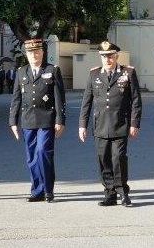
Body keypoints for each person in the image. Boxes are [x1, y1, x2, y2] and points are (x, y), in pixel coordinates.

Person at [78, 40, 142, 207]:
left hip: (120, 124)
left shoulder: (128, 73)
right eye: (104, 57)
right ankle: (109, 193)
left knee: (118, 158)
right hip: (100, 125)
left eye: (110, 56)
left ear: (116, 56)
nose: (107, 60)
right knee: (103, 159)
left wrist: (135, 123)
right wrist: (82, 125)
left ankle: (122, 192)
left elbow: (136, 100)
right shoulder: (94, 74)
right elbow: (86, 101)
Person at [9, 36, 66, 202]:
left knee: (43, 151)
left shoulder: (52, 70)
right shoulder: (21, 72)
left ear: (42, 52)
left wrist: (60, 120)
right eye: (30, 52)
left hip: (47, 119)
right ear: (26, 54)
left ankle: (48, 189)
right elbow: (16, 98)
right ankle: (37, 191)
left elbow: (59, 98)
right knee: (32, 157)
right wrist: (13, 121)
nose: (34, 55)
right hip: (28, 120)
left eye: (37, 51)